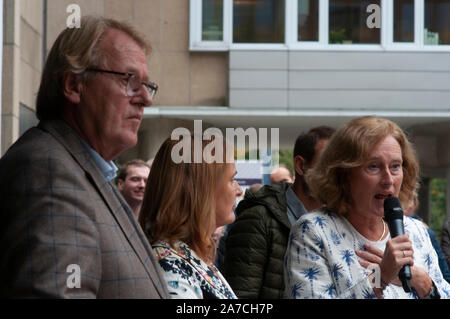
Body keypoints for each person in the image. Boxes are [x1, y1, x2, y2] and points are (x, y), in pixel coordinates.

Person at [0, 16, 169, 298]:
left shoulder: (86, 171)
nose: (145, 98)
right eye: (130, 80)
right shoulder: (50, 171)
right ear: (74, 86)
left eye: (147, 85)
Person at [285, 116, 450, 299]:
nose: (388, 180)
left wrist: (424, 283)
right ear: (343, 174)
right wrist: (381, 277)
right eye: (373, 166)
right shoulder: (313, 231)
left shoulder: (416, 231)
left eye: (395, 166)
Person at [223, 126, 335, 298]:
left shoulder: (340, 221)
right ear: (300, 165)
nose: (336, 175)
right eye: (327, 165)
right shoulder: (259, 219)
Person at [139, 136, 243, 299]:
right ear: (203, 191)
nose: (239, 191)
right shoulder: (170, 266)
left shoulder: (189, 254)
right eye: (231, 180)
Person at [405, 196, 450, 283]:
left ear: (415, 203)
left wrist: (428, 288)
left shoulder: (425, 232)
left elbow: (443, 276)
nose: (407, 205)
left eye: (409, 199)